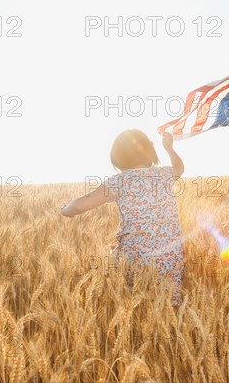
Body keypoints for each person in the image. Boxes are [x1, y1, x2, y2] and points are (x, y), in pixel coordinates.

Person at [60, 130, 185, 307]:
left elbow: (80, 205)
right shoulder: (164, 174)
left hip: (136, 258)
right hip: (171, 257)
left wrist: (65, 210)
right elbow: (180, 168)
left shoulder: (119, 181)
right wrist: (169, 148)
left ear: (117, 157)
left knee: (125, 290)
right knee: (169, 307)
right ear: (149, 151)